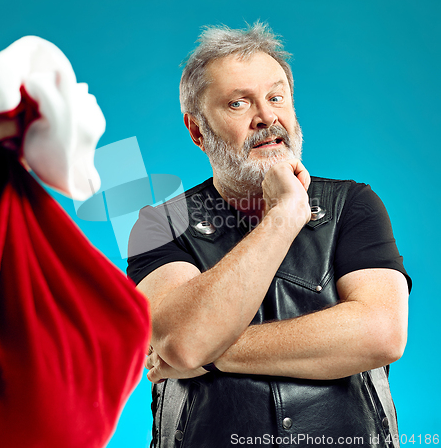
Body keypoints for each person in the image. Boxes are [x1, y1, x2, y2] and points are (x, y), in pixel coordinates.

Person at [127, 23, 410, 448]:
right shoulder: (157, 225)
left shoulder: (353, 204)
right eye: (238, 103)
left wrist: (208, 354)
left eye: (276, 98)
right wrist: (283, 218)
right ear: (197, 130)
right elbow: (182, 342)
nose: (267, 117)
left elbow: (382, 332)